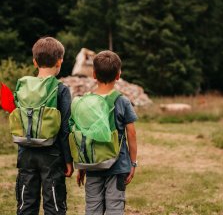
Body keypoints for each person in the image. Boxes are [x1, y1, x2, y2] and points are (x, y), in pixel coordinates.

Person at [14, 37, 73, 215]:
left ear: (34, 62)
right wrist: (68, 160)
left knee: (26, 203)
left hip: (25, 152)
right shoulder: (60, 89)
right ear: (59, 61)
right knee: (54, 203)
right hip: (52, 154)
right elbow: (65, 129)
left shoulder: (23, 86)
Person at [76, 50, 138, 215]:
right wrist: (133, 163)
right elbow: (131, 134)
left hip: (93, 165)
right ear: (118, 75)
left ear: (94, 74)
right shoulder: (122, 101)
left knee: (93, 207)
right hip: (117, 167)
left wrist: (82, 166)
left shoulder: (86, 101)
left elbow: (84, 135)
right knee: (115, 208)